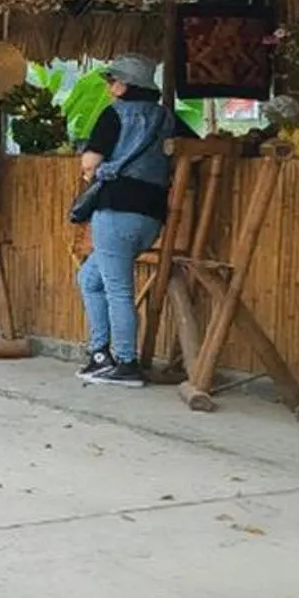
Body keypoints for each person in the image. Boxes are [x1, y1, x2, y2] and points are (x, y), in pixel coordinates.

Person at [77, 54, 182, 389]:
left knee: (118, 289)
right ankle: (99, 354)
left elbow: (90, 164)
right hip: (151, 219)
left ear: (124, 84)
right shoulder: (167, 118)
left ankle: (125, 362)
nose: (109, 86)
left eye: (112, 80)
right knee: (89, 278)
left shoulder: (114, 115)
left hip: (115, 211)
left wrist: (92, 170)